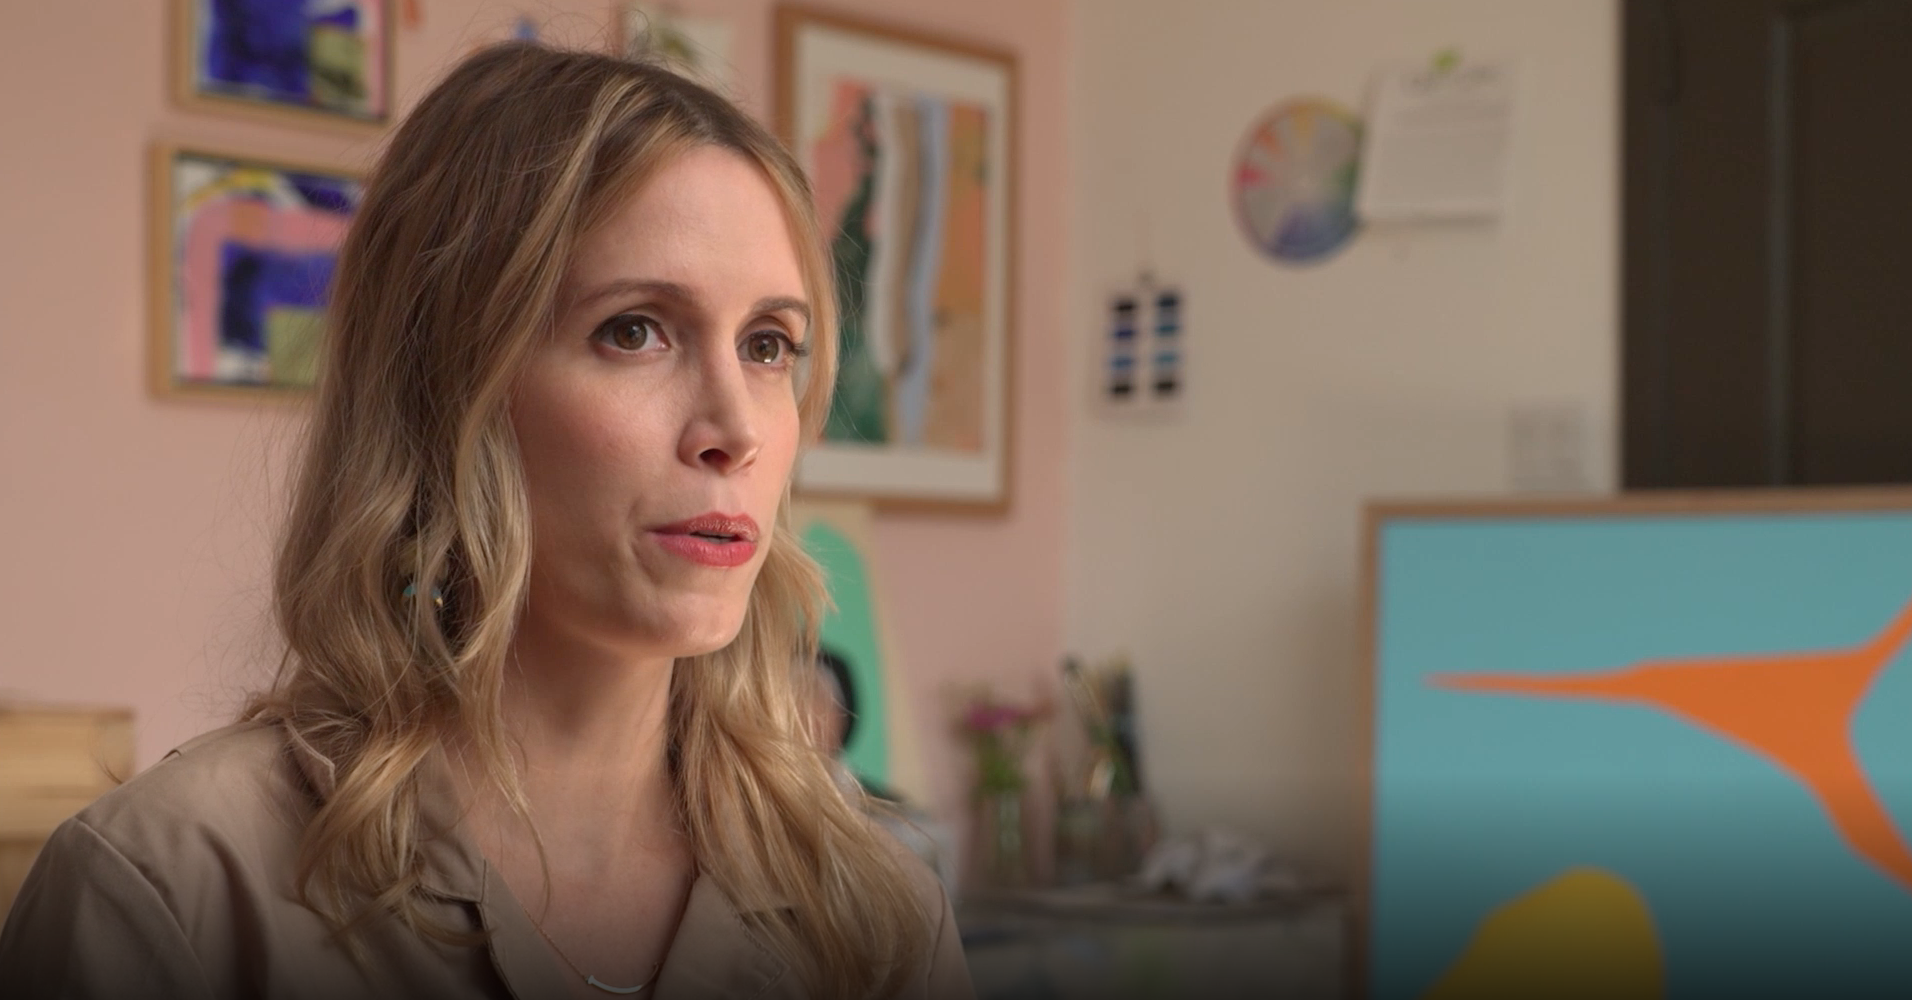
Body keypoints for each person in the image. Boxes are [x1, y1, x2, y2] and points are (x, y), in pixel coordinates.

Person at [0, 43, 972, 1000]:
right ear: (446, 382)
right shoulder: (169, 896)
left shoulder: (873, 920)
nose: (735, 431)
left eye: (769, 344)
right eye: (635, 329)